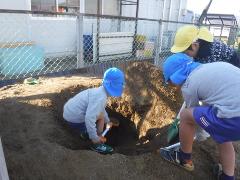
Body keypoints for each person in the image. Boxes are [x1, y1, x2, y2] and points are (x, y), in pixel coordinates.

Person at [160, 53, 240, 180]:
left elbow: (193, 118)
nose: (171, 86)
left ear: (175, 77)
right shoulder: (208, 69)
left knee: (186, 115)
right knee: (222, 136)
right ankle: (227, 177)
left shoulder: (189, 85)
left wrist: (201, 135)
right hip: (233, 113)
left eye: (169, 82)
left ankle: (183, 158)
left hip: (233, 118)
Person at [63, 67, 125, 154]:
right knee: (100, 117)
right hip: (74, 119)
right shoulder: (101, 98)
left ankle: (87, 134)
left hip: (70, 112)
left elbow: (101, 109)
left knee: (101, 116)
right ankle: (96, 144)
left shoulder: (100, 92)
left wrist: (108, 121)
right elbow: (89, 118)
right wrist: (95, 138)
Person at [171, 25, 240, 67]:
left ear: (194, 45)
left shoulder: (210, 54)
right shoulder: (201, 45)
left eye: (185, 52)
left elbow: (208, 76)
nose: (185, 55)